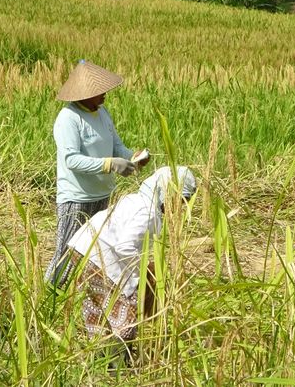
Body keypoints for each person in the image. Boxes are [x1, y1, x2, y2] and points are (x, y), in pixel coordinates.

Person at [44, 59, 147, 286]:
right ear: (85, 94)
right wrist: (109, 164)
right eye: (99, 91)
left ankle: (80, 296)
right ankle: (49, 297)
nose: (105, 95)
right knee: (67, 254)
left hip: (103, 195)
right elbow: (71, 160)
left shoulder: (102, 113)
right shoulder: (68, 119)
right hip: (77, 199)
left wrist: (132, 157)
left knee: (95, 252)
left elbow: (115, 146)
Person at [66, 166, 197, 345]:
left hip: (81, 248)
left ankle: (99, 357)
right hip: (98, 256)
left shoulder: (136, 200)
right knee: (125, 317)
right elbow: (125, 246)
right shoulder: (149, 213)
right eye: (178, 200)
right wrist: (139, 275)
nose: (178, 207)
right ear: (166, 192)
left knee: (99, 309)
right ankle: (118, 361)